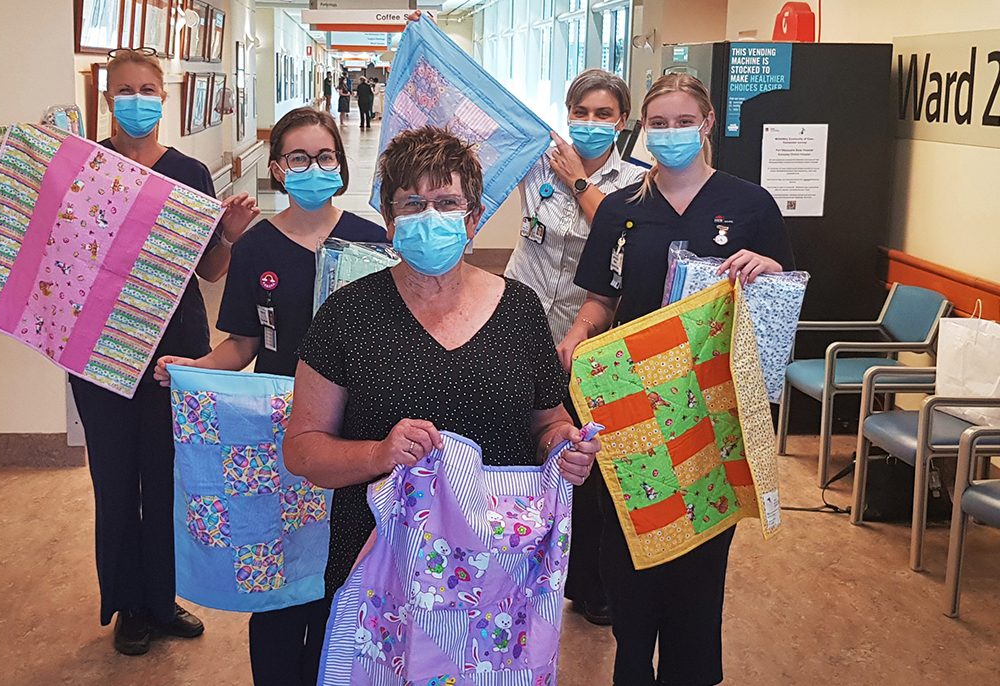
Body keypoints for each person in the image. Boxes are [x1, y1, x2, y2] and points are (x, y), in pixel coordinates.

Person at [281, 127, 600, 664]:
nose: (431, 217)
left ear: (473, 218)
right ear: (389, 221)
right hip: (382, 564)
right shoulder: (349, 315)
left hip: (497, 576)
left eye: (448, 202)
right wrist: (379, 453)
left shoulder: (519, 312)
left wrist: (564, 446)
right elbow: (303, 449)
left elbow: (549, 421)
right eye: (413, 204)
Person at [565, 73, 795, 685]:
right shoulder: (621, 210)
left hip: (711, 411)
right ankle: (632, 662)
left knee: (700, 555)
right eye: (657, 124)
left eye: (682, 122)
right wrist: (574, 336)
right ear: (642, 128)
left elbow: (779, 298)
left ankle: (691, 672)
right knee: (630, 548)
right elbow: (600, 299)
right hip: (632, 409)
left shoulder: (751, 206)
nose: (670, 134)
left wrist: (767, 267)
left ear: (708, 123)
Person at [153, 106, 385, 685]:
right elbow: (242, 344)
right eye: (299, 158)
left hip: (356, 432)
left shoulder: (373, 240)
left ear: (342, 163)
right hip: (279, 435)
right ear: (279, 168)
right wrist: (197, 367)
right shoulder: (256, 248)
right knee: (280, 583)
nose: (314, 167)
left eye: (325, 157)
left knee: (341, 576)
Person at [69, 46, 260, 657]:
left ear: (164, 96)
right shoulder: (87, 165)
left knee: (170, 477)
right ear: (106, 98)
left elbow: (210, 272)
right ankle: (128, 604)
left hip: (173, 349)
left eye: (146, 89)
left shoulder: (190, 174)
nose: (136, 100)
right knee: (117, 477)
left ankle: (161, 595)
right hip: (101, 350)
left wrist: (227, 238)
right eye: (123, 89)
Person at [505, 68, 646, 627]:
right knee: (519, 442)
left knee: (583, 460)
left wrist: (582, 186)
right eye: (580, 112)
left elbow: (623, 242)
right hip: (519, 316)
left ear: (623, 122)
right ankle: (514, 568)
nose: (590, 124)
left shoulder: (638, 181)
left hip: (589, 332)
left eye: (603, 114)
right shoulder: (538, 160)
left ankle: (587, 582)